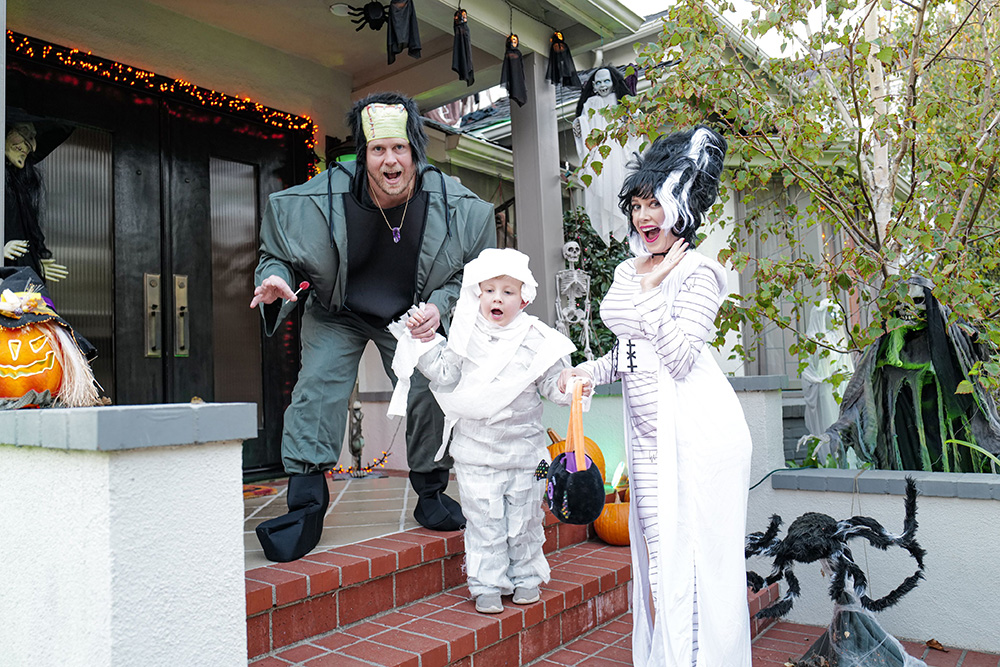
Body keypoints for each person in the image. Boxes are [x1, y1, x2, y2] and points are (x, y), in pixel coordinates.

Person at [250, 92, 495, 563]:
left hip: (411, 311)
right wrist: (274, 277)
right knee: (317, 387)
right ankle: (304, 507)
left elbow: (474, 275)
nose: (390, 160)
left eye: (399, 148)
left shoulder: (460, 208)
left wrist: (441, 308)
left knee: (430, 385)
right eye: (378, 149)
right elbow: (274, 254)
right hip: (338, 307)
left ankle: (430, 493)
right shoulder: (311, 202)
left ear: (416, 154)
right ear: (362, 156)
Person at [558, 126, 753, 666]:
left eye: (655, 205)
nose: (645, 218)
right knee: (658, 562)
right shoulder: (627, 268)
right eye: (638, 206)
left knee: (689, 562)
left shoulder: (700, 273)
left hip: (696, 434)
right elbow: (629, 354)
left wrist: (650, 296)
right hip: (646, 435)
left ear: (682, 206)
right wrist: (587, 373)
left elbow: (681, 357)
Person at [387, 248, 576, 614]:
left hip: (526, 452)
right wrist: (423, 343)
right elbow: (443, 374)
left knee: (525, 518)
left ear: (524, 296)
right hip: (475, 450)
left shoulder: (539, 338)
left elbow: (552, 383)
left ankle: (526, 576)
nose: (497, 298)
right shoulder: (463, 335)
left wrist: (569, 384)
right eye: (489, 290)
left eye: (507, 291)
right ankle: (486, 583)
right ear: (477, 294)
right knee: (484, 520)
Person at [4, 70, 72, 284]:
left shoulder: (15, 185)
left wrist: (33, 259)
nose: (32, 146)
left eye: (34, 138)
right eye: (25, 133)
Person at [572, 65, 639, 245]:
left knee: (618, 180)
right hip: (598, 153)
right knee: (601, 181)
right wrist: (579, 125)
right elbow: (583, 122)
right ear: (593, 85)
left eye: (606, 81)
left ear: (613, 82)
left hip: (617, 150)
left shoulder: (621, 102)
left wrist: (630, 119)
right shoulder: (590, 104)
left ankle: (620, 220)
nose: (603, 86)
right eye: (599, 82)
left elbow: (635, 121)